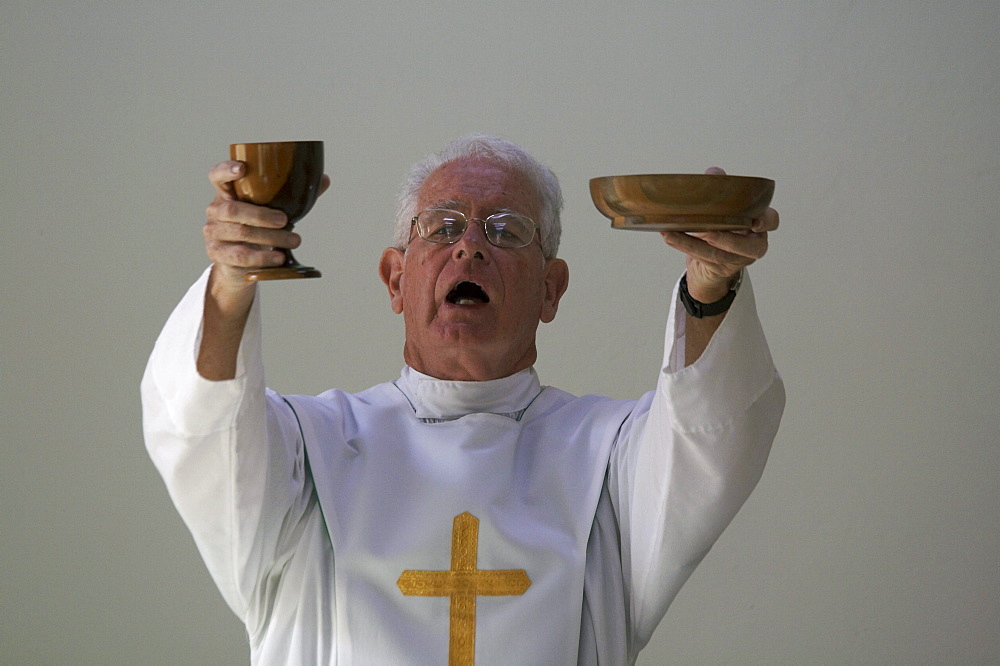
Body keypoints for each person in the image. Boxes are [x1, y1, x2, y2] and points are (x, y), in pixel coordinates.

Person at [142, 134, 784, 665]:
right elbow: (203, 427)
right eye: (442, 226)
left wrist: (711, 283)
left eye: (505, 230)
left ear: (551, 290)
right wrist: (232, 278)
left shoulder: (608, 454)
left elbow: (711, 437)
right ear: (396, 278)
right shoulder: (309, 448)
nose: (469, 245)